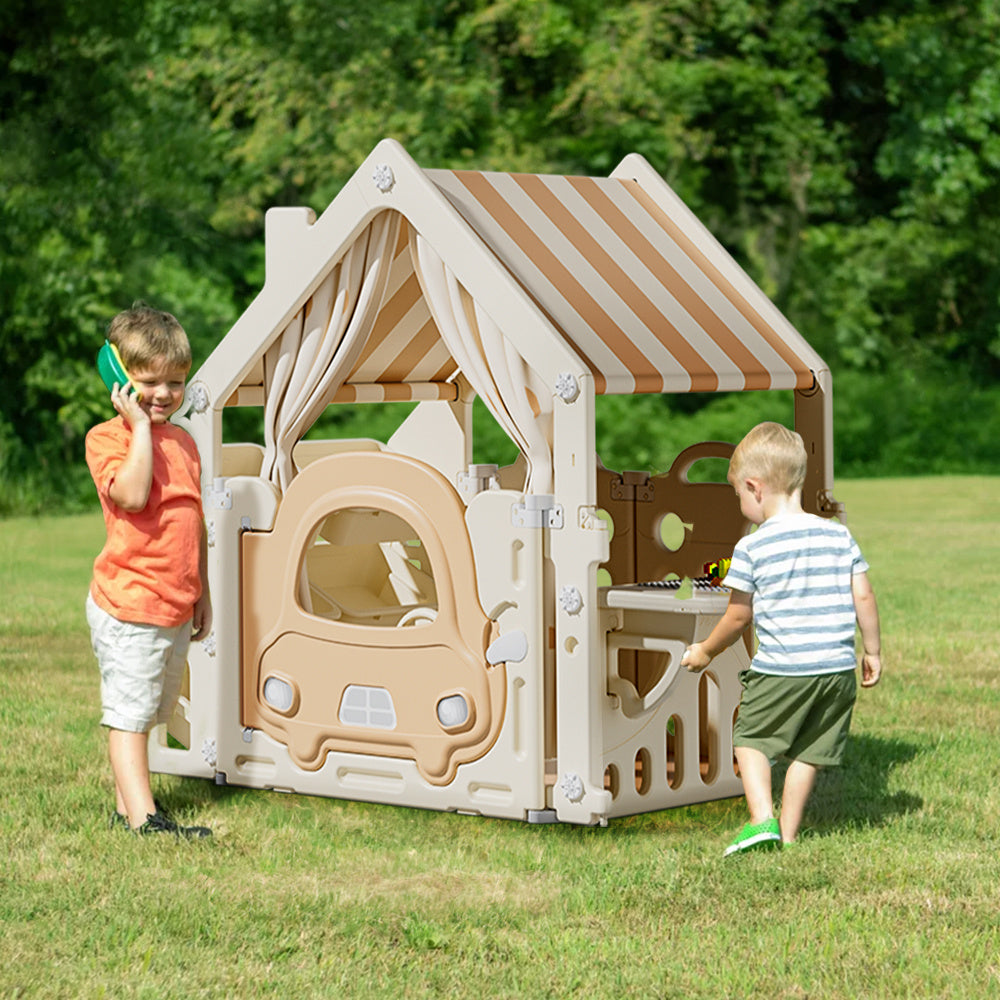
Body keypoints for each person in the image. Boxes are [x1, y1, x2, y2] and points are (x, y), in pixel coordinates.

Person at [681, 422, 882, 856]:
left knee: (750, 740)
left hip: (783, 668)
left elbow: (738, 616)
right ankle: (788, 836)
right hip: (835, 669)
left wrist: (704, 651)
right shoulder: (837, 534)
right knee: (809, 751)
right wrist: (873, 651)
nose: (740, 503)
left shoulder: (754, 547)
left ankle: (760, 820)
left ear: (755, 487)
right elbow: (863, 593)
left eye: (738, 494)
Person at [85, 305, 213, 838]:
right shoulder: (108, 439)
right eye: (147, 382)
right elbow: (134, 495)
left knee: (152, 709)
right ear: (117, 377)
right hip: (130, 602)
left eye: (175, 382)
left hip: (173, 602)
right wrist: (138, 426)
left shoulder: (183, 442)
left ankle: (124, 807)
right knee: (129, 713)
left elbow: (193, 519)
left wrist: (202, 593)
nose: (163, 394)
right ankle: (144, 819)